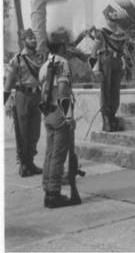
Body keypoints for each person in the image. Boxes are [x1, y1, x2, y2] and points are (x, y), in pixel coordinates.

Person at [39, 30, 78, 208]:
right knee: (58, 155)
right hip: (60, 113)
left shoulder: (45, 64)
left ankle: (48, 189)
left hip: (48, 113)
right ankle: (54, 194)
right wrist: (68, 116)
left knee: (50, 153)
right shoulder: (63, 63)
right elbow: (63, 91)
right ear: (62, 46)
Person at [3, 28, 43, 177]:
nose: (33, 40)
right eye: (30, 38)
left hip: (37, 96)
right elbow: (8, 83)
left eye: (34, 37)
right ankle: (24, 165)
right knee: (23, 132)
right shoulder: (18, 59)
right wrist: (6, 102)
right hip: (22, 96)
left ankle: (30, 162)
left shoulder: (40, 58)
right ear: (24, 41)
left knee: (35, 132)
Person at [89, 5, 127, 131]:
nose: (113, 22)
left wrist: (123, 64)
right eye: (111, 19)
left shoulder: (120, 33)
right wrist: (95, 69)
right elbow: (93, 51)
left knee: (115, 91)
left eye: (115, 19)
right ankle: (106, 119)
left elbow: (121, 50)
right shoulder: (102, 32)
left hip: (117, 62)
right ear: (106, 18)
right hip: (105, 61)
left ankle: (112, 116)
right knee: (106, 91)